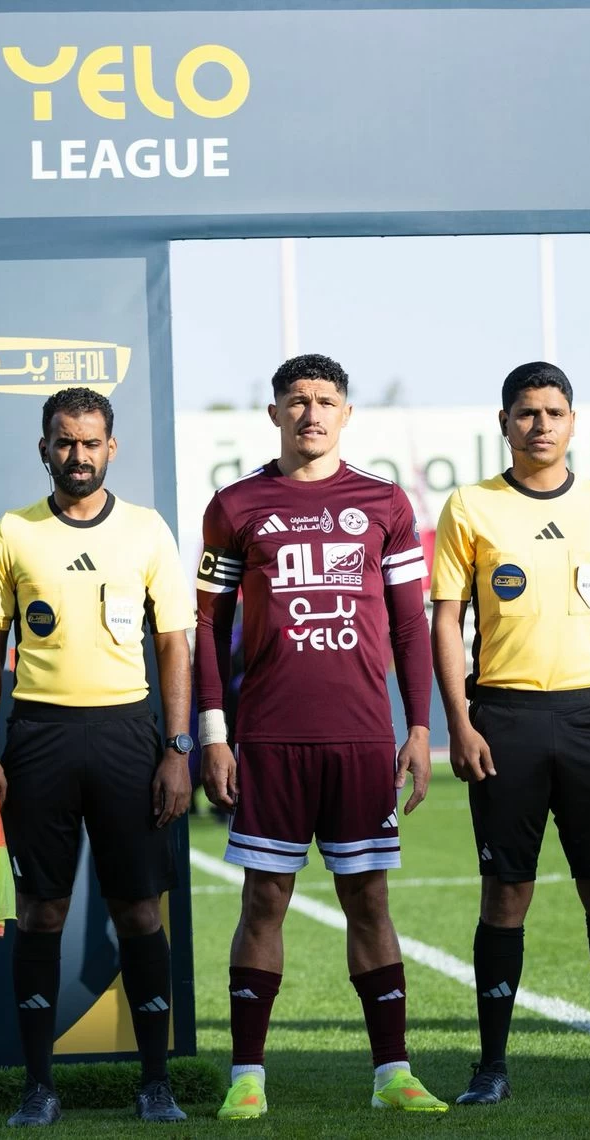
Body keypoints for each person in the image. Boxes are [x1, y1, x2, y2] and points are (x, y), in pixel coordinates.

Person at [195, 354, 445, 1117]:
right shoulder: (235, 506)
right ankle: (247, 1077)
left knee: (368, 899)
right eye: (297, 400)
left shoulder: (384, 503)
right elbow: (207, 626)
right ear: (274, 412)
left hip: (362, 739)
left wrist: (418, 727)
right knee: (264, 899)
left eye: (326, 400)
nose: (312, 412)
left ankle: (392, 1074)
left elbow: (410, 625)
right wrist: (214, 732)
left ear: (346, 413)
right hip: (270, 739)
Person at [430, 361, 590, 1105]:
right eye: (527, 412)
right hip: (504, 718)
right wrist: (460, 721)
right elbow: (446, 619)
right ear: (504, 422)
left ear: (573, 422)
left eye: (554, 412)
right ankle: (491, 1068)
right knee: (507, 893)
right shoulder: (470, 506)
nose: (541, 424)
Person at [0, 387, 193, 1126]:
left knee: (139, 909)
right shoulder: (13, 531)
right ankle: (39, 1087)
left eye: (91, 442)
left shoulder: (147, 530)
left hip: (129, 735)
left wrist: (178, 748)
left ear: (111, 448)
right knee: (41, 910)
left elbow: (173, 646)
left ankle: (155, 1084)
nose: (78, 455)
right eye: (65, 441)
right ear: (45, 448)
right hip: (39, 737)